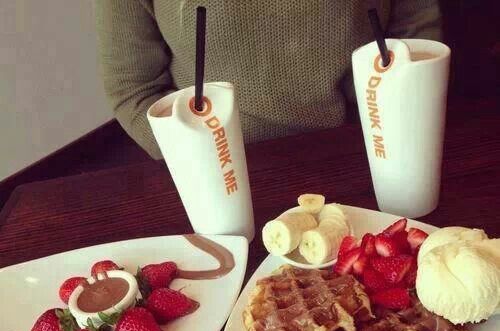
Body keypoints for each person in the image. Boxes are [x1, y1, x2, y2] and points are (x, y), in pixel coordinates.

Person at [95, 1, 441, 160]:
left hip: (369, 149)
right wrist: (199, 167)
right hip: (216, 167)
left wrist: (394, 140)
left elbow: (416, 37)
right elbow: (134, 89)